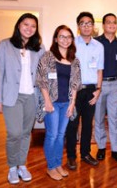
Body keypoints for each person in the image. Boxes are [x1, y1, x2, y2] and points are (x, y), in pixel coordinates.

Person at [0, 13, 45, 184]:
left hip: (32, 96)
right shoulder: (5, 45)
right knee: (14, 133)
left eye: (33, 26)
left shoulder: (39, 47)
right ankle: (12, 167)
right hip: (11, 97)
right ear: (19, 25)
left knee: (25, 133)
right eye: (26, 24)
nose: (29, 28)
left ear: (36, 29)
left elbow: (43, 74)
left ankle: (22, 164)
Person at [36, 25, 81, 180]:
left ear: (72, 40)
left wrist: (72, 103)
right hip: (52, 103)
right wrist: (47, 101)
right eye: (62, 36)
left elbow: (76, 83)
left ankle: (57, 164)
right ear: (56, 39)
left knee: (61, 135)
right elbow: (41, 80)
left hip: (66, 103)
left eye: (68, 37)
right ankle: (50, 167)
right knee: (52, 134)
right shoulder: (48, 56)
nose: (65, 39)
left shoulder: (74, 60)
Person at [66, 12, 104, 169]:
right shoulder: (71, 44)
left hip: (91, 91)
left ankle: (86, 153)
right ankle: (71, 156)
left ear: (93, 26)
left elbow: (99, 70)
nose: (86, 26)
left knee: (88, 124)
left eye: (89, 23)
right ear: (78, 26)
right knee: (72, 124)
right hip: (74, 91)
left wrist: (98, 90)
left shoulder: (99, 46)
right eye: (83, 23)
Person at [94, 13, 117, 164]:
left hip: (115, 85)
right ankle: (101, 147)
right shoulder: (96, 43)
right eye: (108, 22)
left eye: (114, 22)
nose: (112, 25)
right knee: (99, 118)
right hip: (99, 85)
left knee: (114, 118)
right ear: (104, 25)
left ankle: (116, 150)